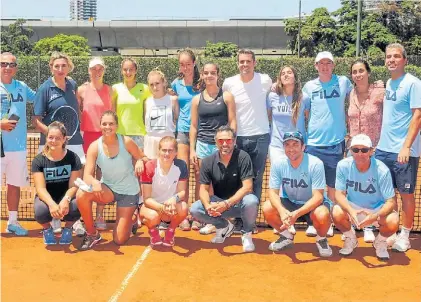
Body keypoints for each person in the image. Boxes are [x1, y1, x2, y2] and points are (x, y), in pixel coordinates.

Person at [32, 52, 85, 236]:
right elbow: (36, 120)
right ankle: (53, 217)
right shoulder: (44, 88)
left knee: (77, 179)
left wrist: (70, 133)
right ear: (51, 67)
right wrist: (55, 136)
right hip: (53, 142)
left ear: (68, 67)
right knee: (51, 178)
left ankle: (75, 220)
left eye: (63, 66)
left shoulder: (72, 85)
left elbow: (77, 109)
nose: (60, 69)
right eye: (56, 66)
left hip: (75, 140)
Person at [75, 111, 145, 250]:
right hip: (107, 189)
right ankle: (92, 234)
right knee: (81, 194)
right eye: (104, 124)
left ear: (117, 126)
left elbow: (142, 157)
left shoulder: (126, 142)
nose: (108, 127)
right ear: (100, 126)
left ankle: (131, 219)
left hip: (128, 192)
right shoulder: (94, 146)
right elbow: (87, 175)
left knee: (119, 239)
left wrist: (139, 161)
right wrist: (95, 183)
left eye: (111, 124)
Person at [375, 43, 421, 252]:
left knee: (406, 194)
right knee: (388, 194)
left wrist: (406, 147)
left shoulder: (413, 83)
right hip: (384, 149)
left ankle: (405, 234)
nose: (391, 60)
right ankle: (391, 231)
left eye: (396, 56)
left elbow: (417, 115)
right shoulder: (389, 83)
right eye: (388, 57)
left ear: (405, 60)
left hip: (404, 151)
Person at [302, 51, 353, 235]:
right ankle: (313, 220)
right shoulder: (308, 87)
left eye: (328, 63)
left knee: (332, 187)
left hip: (335, 144)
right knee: (314, 186)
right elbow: (304, 111)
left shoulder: (343, 82)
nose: (324, 66)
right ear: (316, 66)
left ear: (333, 65)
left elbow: (358, 94)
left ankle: (330, 221)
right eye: (321, 63)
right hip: (313, 144)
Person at [222, 49, 272, 233]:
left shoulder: (265, 80)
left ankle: (249, 222)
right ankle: (237, 219)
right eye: (241, 61)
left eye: (248, 61)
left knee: (256, 179)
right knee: (237, 180)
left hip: (260, 136)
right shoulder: (229, 83)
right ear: (238, 63)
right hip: (238, 138)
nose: (245, 65)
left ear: (254, 63)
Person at [190, 126, 259, 253]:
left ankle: (247, 234)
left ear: (234, 141)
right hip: (218, 205)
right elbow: (203, 189)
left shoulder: (243, 157)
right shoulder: (207, 161)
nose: (225, 144)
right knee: (195, 209)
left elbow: (248, 187)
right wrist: (208, 206)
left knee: (252, 201)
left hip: (240, 204)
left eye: (228, 140)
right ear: (216, 142)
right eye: (221, 141)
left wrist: (226, 203)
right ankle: (223, 226)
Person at [262, 131, 332, 257]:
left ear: (303, 147)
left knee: (323, 214)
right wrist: (282, 211)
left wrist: (296, 214)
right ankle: (286, 236)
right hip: (290, 202)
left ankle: (321, 239)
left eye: (295, 144)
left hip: (312, 205)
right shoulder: (278, 163)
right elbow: (272, 192)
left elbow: (318, 196)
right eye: (287, 145)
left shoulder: (315, 164)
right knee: (267, 207)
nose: (291, 149)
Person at [333, 134, 399, 260]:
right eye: (355, 150)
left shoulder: (382, 170)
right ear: (350, 151)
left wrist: (374, 216)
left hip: (376, 209)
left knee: (393, 221)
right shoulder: (343, 165)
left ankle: (380, 242)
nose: (360, 154)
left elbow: (391, 201)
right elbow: (339, 194)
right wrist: (351, 211)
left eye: (364, 150)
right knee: (336, 211)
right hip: (354, 208)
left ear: (371, 151)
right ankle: (351, 238)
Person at [188, 62, 236, 233]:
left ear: (218, 75)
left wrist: (230, 142)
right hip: (202, 145)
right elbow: (194, 126)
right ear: (202, 75)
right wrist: (193, 149)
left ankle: (224, 217)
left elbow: (232, 121)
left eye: (212, 73)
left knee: (222, 183)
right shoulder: (196, 100)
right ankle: (206, 218)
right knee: (203, 182)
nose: (209, 76)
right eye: (206, 73)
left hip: (221, 146)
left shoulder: (227, 97)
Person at [347, 59, 385, 243]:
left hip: (374, 149)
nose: (358, 74)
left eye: (361, 70)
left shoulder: (380, 92)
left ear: (368, 72)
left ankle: (370, 224)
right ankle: (355, 224)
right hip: (354, 149)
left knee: (373, 189)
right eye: (354, 72)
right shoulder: (350, 93)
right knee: (354, 188)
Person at [1, 52, 36, 236]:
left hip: (18, 147)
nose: (7, 67)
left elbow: (40, 98)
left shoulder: (22, 86)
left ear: (16, 68)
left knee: (14, 185)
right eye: (3, 63)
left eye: (11, 64)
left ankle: (13, 222)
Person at [77, 56, 113, 231]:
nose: (97, 72)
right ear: (89, 71)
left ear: (104, 70)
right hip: (87, 137)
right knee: (87, 174)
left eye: (100, 69)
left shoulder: (110, 90)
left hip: (104, 137)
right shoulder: (81, 90)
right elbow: (76, 112)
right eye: (94, 69)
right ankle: (85, 216)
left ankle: (99, 215)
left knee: (102, 175)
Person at [32, 122, 82, 245]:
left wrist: (66, 199)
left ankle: (68, 228)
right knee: (40, 211)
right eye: (50, 137)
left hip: (66, 195)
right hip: (47, 197)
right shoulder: (38, 160)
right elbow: (40, 189)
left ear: (64, 139)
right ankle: (47, 229)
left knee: (78, 203)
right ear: (46, 137)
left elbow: (74, 185)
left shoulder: (73, 157)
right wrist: (51, 204)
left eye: (58, 138)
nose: (54, 141)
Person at [140, 136, 188, 246]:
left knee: (184, 208)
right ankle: (153, 231)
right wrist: (162, 208)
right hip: (152, 207)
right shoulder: (150, 166)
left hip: (171, 207)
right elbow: (146, 199)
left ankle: (170, 231)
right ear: (159, 151)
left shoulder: (181, 166)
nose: (167, 153)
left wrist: (173, 199)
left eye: (170, 150)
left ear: (176, 152)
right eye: (164, 150)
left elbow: (182, 192)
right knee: (152, 217)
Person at [171, 49, 200, 230]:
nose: (185, 67)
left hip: (200, 133)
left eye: (188, 64)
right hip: (182, 131)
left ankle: (196, 214)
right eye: (182, 64)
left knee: (199, 174)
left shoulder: (202, 84)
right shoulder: (175, 84)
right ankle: (183, 214)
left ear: (194, 63)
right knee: (183, 174)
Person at [112, 58, 150, 148]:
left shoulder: (145, 88)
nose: (128, 72)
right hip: (120, 135)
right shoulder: (115, 88)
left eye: (131, 69)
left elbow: (159, 95)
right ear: (121, 71)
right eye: (125, 69)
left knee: (139, 162)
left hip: (139, 135)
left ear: (136, 70)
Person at [143, 70, 178, 159]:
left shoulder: (173, 100)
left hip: (168, 145)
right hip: (150, 145)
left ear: (164, 83)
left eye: (157, 83)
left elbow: (177, 121)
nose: (155, 87)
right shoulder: (147, 102)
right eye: (151, 84)